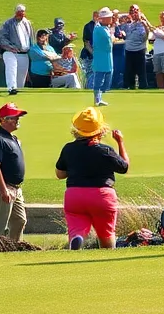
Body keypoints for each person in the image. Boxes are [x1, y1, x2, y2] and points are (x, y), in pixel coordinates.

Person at [56, 107, 129, 250]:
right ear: (100, 129)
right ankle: (106, 258)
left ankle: (78, 238)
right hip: (101, 196)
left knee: (77, 227)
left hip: (74, 195)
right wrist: (120, 142)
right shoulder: (105, 150)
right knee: (106, 234)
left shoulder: (68, 149)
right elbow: (124, 167)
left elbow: (60, 174)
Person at [0, 102, 28, 242]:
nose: (17, 120)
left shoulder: (13, 139)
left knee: (20, 221)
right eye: (13, 117)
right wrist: (4, 189)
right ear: (2, 120)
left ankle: (13, 248)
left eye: (17, 117)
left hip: (16, 189)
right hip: (3, 187)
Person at [0, 5, 32, 94]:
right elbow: (1, 38)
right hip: (10, 52)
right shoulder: (8, 23)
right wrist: (10, 46)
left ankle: (18, 90)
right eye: (19, 12)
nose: (21, 14)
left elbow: (30, 37)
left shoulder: (27, 23)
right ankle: (11, 88)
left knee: (21, 75)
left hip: (24, 53)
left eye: (23, 12)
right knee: (11, 69)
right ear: (16, 12)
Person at [119, 4, 151, 90]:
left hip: (139, 49)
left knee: (141, 71)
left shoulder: (143, 23)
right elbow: (116, 18)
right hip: (129, 50)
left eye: (136, 11)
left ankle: (143, 87)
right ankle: (129, 86)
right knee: (129, 71)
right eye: (132, 11)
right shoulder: (128, 24)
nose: (134, 13)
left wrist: (144, 21)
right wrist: (128, 15)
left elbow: (147, 34)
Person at [90, 8, 115, 106]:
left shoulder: (104, 28)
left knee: (107, 76)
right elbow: (110, 39)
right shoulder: (99, 29)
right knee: (99, 78)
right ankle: (97, 99)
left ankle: (100, 97)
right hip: (101, 57)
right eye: (109, 17)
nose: (111, 19)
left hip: (107, 56)